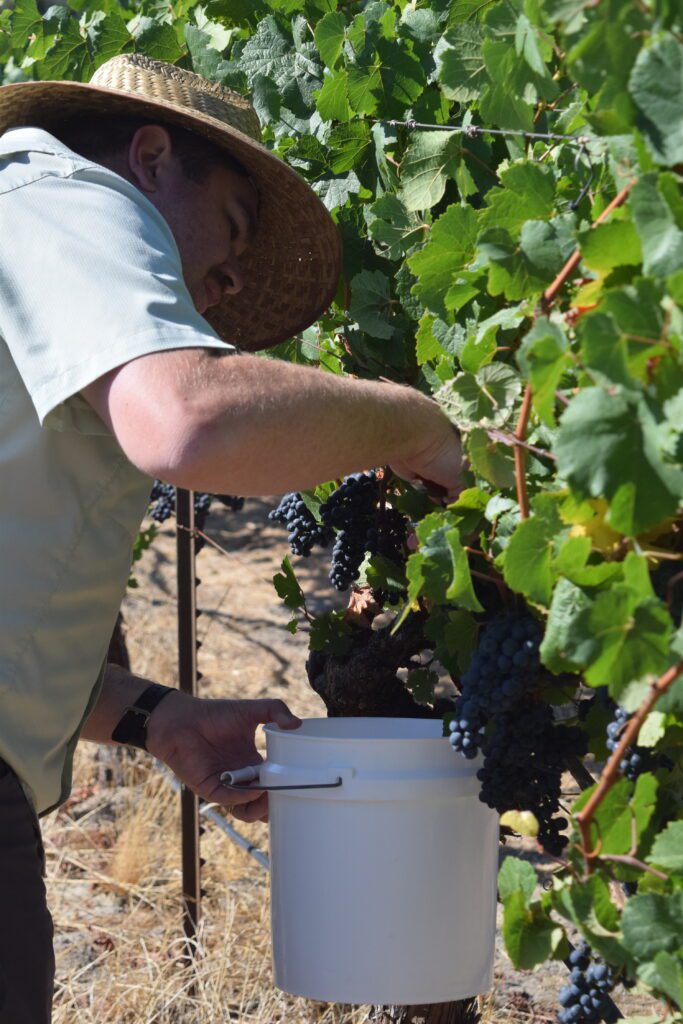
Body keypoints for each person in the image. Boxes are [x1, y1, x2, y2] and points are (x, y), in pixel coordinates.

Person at [0, 53, 463, 1023]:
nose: (228, 282)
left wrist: (157, 718)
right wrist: (415, 424)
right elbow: (186, 420)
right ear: (152, 157)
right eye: (233, 231)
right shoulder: (65, 193)